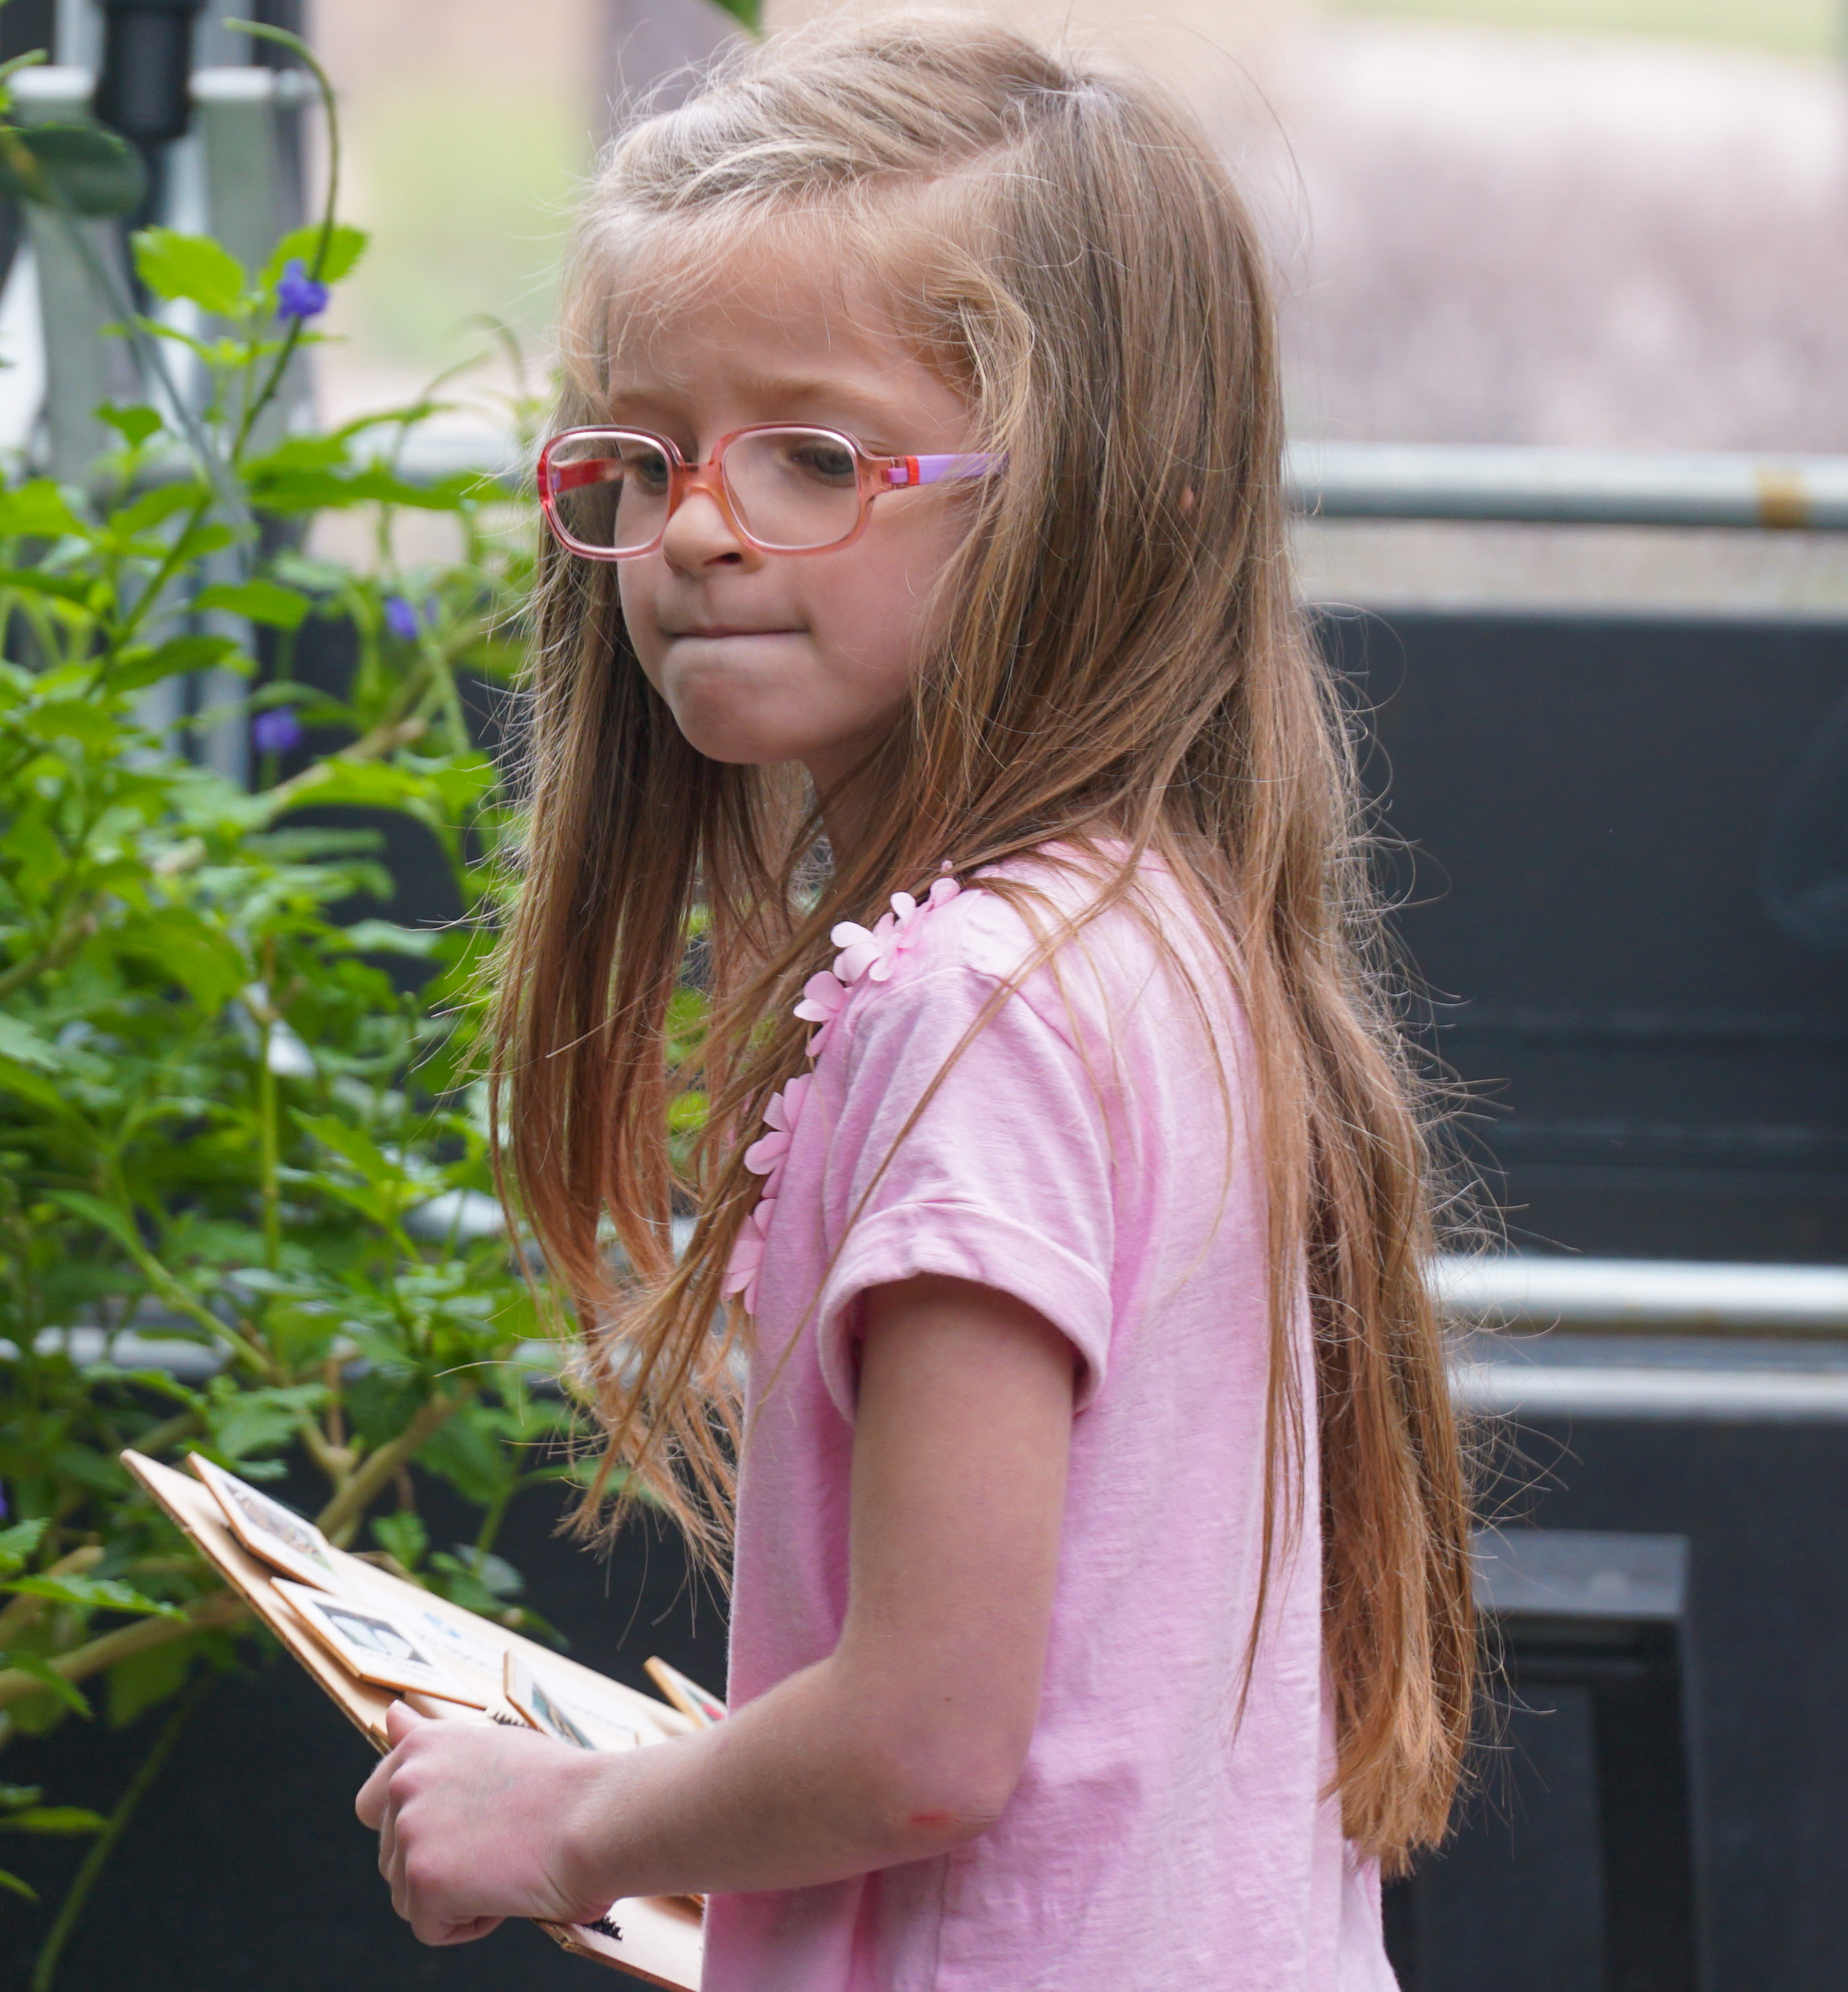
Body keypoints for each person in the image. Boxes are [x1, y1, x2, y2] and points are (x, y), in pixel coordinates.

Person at [354, 19, 1475, 1989]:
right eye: (643, 453)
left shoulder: (976, 1006)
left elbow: (929, 1737)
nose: (695, 526)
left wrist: (569, 1820)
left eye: (812, 456)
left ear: (1087, 492)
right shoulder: (1158, 941)